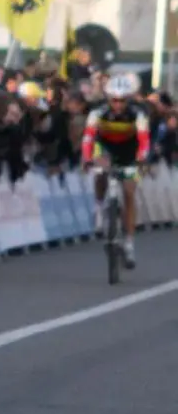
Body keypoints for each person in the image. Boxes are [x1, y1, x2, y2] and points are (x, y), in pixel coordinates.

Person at [81, 71, 149, 268]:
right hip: (105, 149)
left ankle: (129, 243)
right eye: (114, 100)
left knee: (129, 192)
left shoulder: (138, 113)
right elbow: (88, 138)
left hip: (129, 151)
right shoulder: (97, 113)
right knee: (100, 171)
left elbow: (144, 140)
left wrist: (142, 158)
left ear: (128, 99)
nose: (118, 105)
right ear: (108, 98)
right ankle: (99, 208)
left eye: (122, 101)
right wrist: (87, 158)